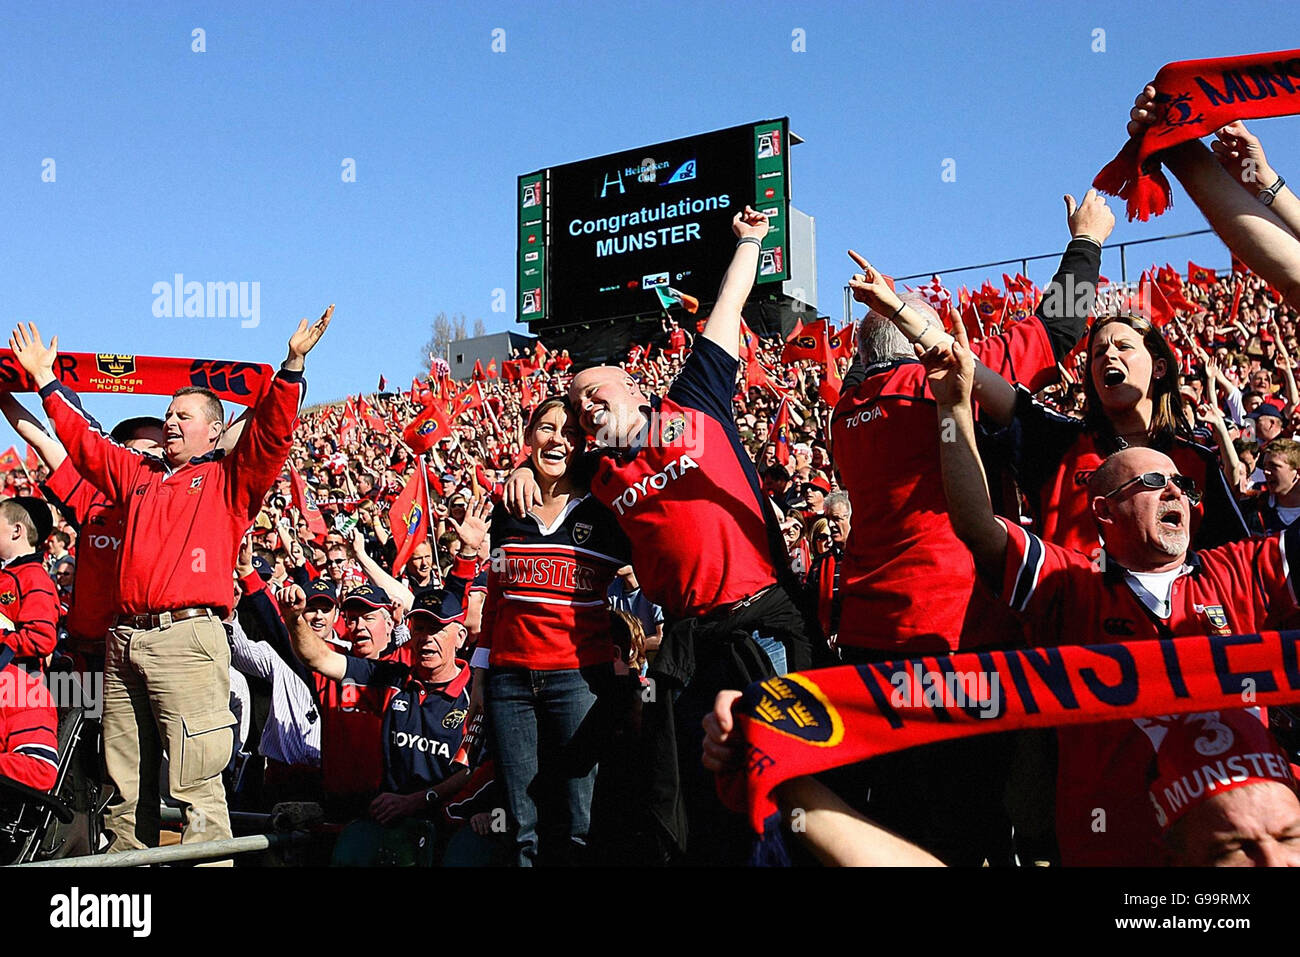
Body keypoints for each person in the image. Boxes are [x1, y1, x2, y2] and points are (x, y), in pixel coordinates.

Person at [930, 310, 1300, 865]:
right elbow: (976, 525)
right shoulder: (1071, 588)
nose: (1176, 491)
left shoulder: (1237, 571)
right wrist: (951, 407)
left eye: (1181, 485)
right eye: (1153, 483)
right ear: (1101, 511)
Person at [505, 208, 814, 863]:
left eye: (594, 391)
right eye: (576, 403)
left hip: (760, 626)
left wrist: (752, 241)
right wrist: (518, 469)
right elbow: (544, 463)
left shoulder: (694, 400)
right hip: (690, 647)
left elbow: (728, 305)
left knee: (787, 778)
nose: (585, 405)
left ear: (633, 384)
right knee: (709, 794)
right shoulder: (604, 475)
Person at [8, 307, 331, 855]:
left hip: (187, 638)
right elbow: (82, 446)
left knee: (196, 787)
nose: (171, 422)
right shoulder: (135, 478)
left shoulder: (230, 479)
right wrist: (43, 380)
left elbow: (273, 433)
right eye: (167, 413)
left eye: (183, 415)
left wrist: (292, 365)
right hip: (121, 641)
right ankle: (127, 893)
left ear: (215, 429)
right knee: (124, 786)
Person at [470, 397, 631, 866]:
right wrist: (481, 674)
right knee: (521, 824)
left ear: (584, 444)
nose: (557, 439)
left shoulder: (604, 507)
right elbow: (497, 595)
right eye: (545, 428)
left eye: (569, 432)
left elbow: (637, 452)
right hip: (509, 683)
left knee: (581, 818)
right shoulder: (508, 507)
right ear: (527, 437)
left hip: (578, 680)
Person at [282, 583, 474, 866]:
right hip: (392, 828)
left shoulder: (477, 692)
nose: (426, 639)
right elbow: (318, 659)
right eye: (419, 629)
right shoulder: (392, 678)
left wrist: (420, 799)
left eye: (436, 630)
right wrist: (294, 619)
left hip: (451, 834)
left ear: (459, 637)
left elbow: (473, 769)